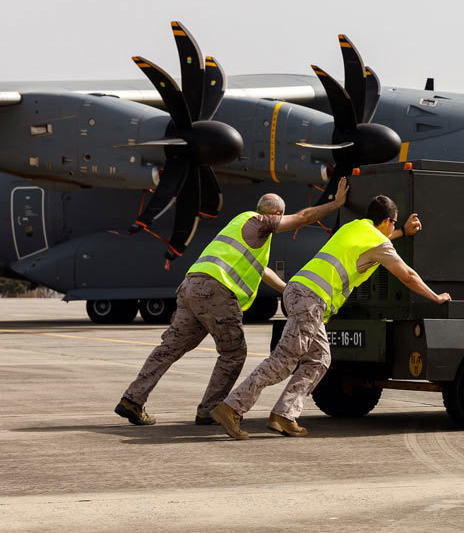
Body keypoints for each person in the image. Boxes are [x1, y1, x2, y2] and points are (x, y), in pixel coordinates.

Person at [114, 178, 349, 426]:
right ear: (277, 214)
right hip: (216, 292)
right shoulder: (260, 222)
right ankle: (210, 409)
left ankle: (133, 399)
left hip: (192, 286)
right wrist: (337, 203)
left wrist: (286, 288)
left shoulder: (241, 225)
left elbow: (260, 269)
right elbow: (302, 217)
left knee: (169, 348)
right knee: (233, 353)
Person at [212, 195, 450, 439]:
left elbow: (380, 241)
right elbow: (407, 275)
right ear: (388, 220)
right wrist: (436, 297)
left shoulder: (354, 227)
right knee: (284, 360)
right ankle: (232, 407)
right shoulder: (378, 241)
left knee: (320, 359)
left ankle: (285, 414)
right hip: (311, 299)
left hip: (297, 290)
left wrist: (401, 232)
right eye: (393, 223)